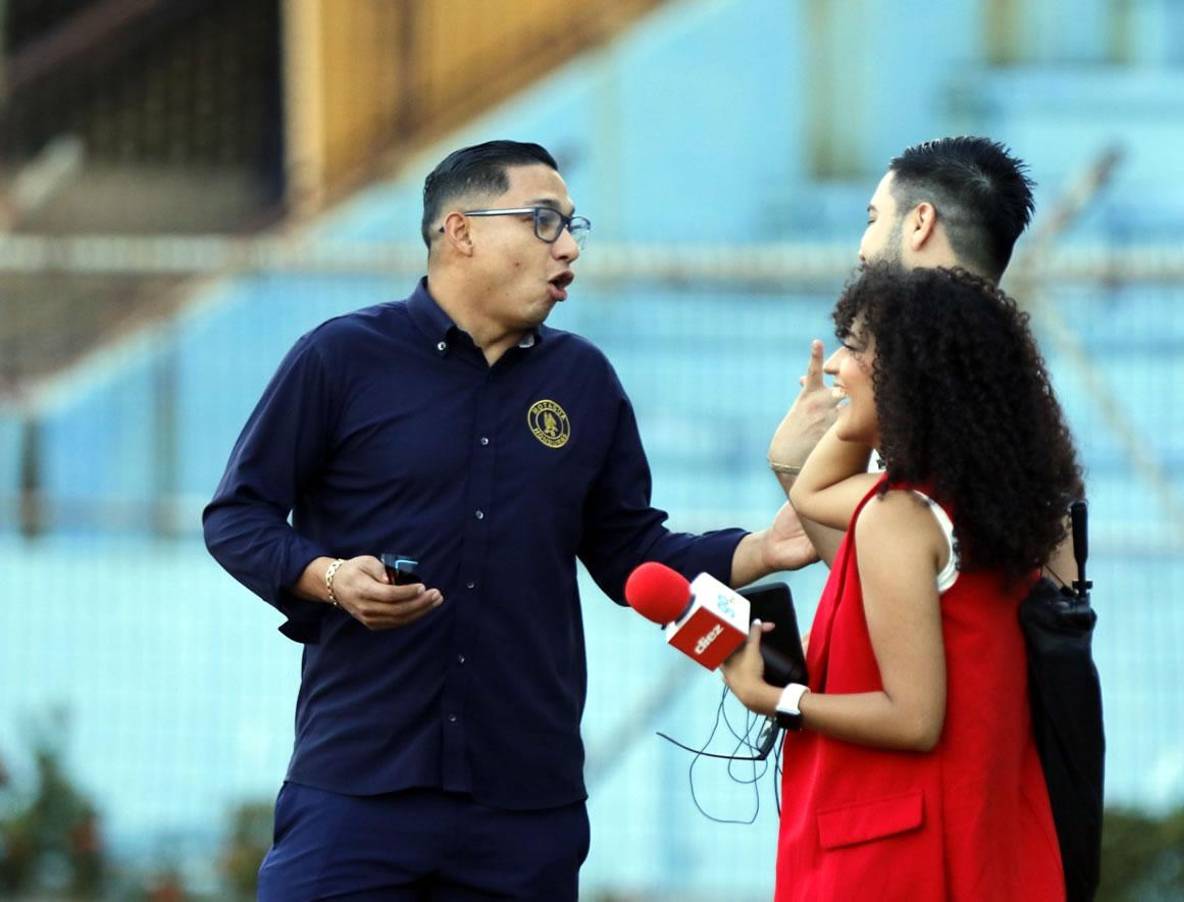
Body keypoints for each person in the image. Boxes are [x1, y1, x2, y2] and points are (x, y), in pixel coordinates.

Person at [202, 139, 816, 901]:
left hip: (526, 804)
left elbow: (631, 554)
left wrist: (765, 547)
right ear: (459, 232)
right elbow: (237, 514)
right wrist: (327, 578)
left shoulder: (584, 380)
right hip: (358, 783)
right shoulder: (341, 358)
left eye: (572, 225)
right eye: (544, 222)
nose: (571, 248)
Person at [723, 263, 1082, 900]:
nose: (834, 365)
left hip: (901, 861)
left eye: (855, 349)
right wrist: (851, 419)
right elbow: (816, 489)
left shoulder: (899, 517)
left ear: (913, 373)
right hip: (994, 841)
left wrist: (775, 700)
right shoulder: (998, 505)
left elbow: (913, 718)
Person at [764, 137, 1074, 575]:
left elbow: (895, 596)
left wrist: (801, 468)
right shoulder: (1003, 386)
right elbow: (879, 584)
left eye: (873, 219)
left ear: (920, 222)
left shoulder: (950, 396)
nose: (862, 247)